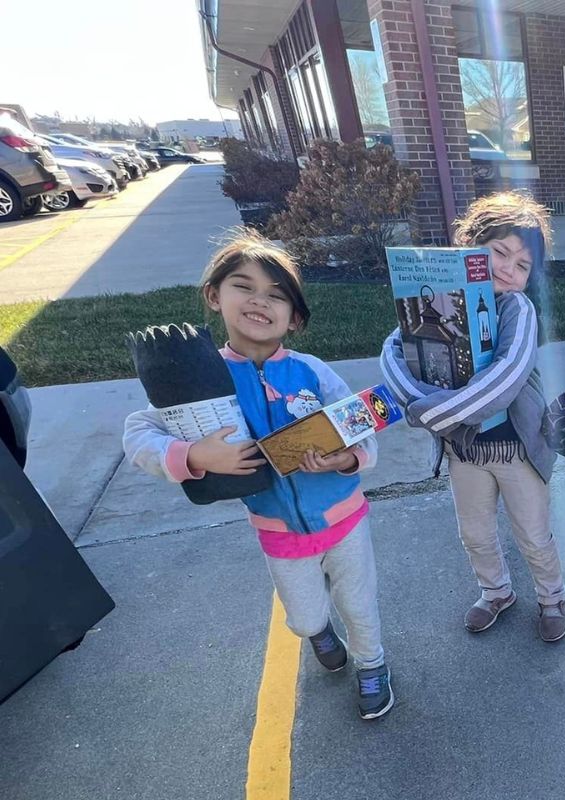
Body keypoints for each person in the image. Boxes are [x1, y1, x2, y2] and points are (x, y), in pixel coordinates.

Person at [124, 232, 392, 720]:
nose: (259, 301)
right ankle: (319, 633)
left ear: (295, 317)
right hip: (278, 532)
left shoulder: (313, 372)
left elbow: (361, 429)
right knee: (306, 616)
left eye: (276, 294)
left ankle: (372, 664)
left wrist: (347, 459)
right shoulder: (199, 378)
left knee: (359, 603)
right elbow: (138, 434)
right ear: (214, 295)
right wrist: (194, 455)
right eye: (243, 286)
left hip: (345, 519)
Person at [379, 192, 565, 643]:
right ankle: (496, 591)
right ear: (469, 247)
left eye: (522, 265)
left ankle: (551, 596)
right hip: (464, 453)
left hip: (516, 449)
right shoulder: (441, 300)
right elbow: (394, 356)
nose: (508, 268)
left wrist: (427, 413)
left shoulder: (516, 310)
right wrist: (429, 410)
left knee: (533, 534)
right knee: (476, 533)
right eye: (499, 252)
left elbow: (504, 382)